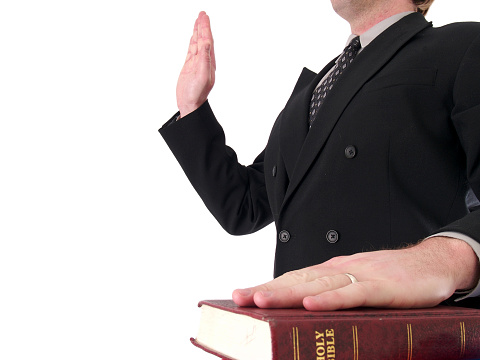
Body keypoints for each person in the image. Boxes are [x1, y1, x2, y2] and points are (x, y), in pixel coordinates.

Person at [160, 0, 480, 311]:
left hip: (400, 332)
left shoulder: (464, 47)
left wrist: (447, 258)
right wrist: (192, 107)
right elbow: (244, 206)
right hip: (304, 329)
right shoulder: (315, 89)